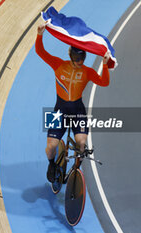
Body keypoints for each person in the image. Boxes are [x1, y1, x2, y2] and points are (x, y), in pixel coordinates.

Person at [35, 23, 110, 183]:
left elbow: (104, 82)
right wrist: (40, 35)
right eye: (77, 59)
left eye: (82, 58)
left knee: (82, 144)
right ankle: (51, 164)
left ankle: (76, 169)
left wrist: (104, 64)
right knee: (50, 147)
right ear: (70, 56)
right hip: (59, 110)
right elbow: (40, 52)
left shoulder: (87, 72)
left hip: (78, 111)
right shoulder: (59, 65)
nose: (80, 62)